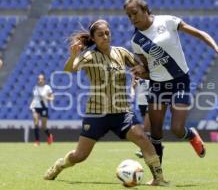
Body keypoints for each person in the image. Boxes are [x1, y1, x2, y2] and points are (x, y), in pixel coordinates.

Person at [43, 19, 167, 186]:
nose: (105, 37)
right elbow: (69, 70)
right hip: (97, 113)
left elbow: (143, 68)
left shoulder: (121, 52)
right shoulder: (89, 56)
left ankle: (158, 178)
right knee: (80, 156)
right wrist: (73, 55)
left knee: (142, 137)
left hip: (122, 112)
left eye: (107, 33)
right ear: (93, 38)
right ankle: (60, 165)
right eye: (100, 34)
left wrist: (139, 73)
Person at [124, 0, 218, 163]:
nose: (132, 18)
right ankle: (157, 177)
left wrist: (216, 48)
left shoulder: (167, 21)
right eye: (129, 16)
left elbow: (198, 33)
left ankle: (191, 135)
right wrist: (140, 72)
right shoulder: (136, 41)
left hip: (179, 81)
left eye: (135, 13)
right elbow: (148, 68)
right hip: (157, 85)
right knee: (155, 133)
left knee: (176, 129)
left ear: (145, 10)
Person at [29, 73, 54, 146]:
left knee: (43, 126)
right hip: (36, 107)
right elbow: (34, 98)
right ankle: (37, 141)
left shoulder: (47, 88)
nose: (40, 80)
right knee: (36, 123)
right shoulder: (35, 88)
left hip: (44, 107)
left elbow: (52, 98)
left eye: (41, 79)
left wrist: (46, 98)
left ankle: (49, 136)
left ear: (44, 80)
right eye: (39, 79)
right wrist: (31, 104)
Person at [131, 78, 151, 158]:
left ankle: (144, 150)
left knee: (146, 127)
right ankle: (158, 145)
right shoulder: (136, 69)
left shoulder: (152, 68)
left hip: (152, 99)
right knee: (148, 127)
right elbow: (133, 84)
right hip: (141, 100)